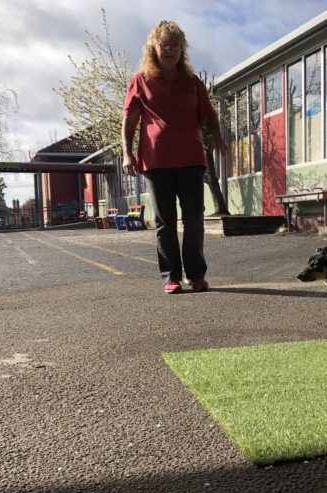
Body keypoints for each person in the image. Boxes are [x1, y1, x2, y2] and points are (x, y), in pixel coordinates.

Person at [122, 20, 228, 294]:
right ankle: (171, 277)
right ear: (153, 49)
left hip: (191, 160)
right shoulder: (140, 81)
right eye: (163, 45)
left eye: (175, 46)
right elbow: (130, 123)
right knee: (165, 222)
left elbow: (209, 116)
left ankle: (196, 274)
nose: (169, 50)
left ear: (182, 50)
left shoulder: (192, 83)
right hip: (155, 163)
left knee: (194, 219)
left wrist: (217, 136)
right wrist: (127, 154)